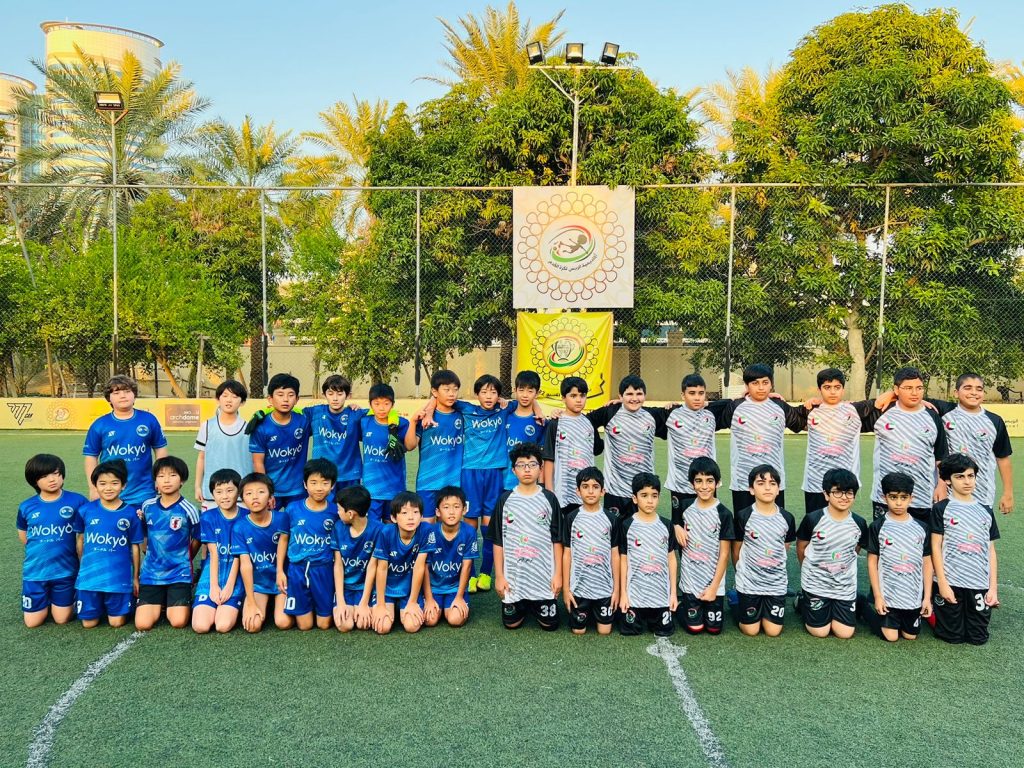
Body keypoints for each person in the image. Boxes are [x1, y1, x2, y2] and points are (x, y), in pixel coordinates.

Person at [490, 443, 563, 631]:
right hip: (515, 580)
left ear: (540, 469)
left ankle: (538, 602)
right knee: (511, 625)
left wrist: (558, 575)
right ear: (514, 470)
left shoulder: (549, 498)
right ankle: (522, 603)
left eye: (532, 464)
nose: (527, 469)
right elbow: (498, 542)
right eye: (521, 465)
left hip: (543, 578)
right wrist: (499, 576)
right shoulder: (505, 500)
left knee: (550, 626)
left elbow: (557, 540)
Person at [713, 364, 804, 513]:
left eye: (765, 383)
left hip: (773, 482)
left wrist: (818, 403)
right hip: (743, 481)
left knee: (775, 526)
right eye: (755, 383)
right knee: (744, 528)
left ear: (771, 384)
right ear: (747, 385)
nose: (761, 388)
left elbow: (802, 422)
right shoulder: (735, 406)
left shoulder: (780, 406)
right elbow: (707, 416)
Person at [930, 453, 1000, 645]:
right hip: (950, 582)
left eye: (970, 476)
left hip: (978, 583)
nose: (967, 481)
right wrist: (942, 584)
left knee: (978, 638)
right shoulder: (941, 509)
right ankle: (930, 608)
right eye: (959, 476)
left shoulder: (985, 510)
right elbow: (935, 547)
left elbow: (991, 551)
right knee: (952, 637)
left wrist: (992, 588)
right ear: (947, 480)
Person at [922, 373, 1012, 515]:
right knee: (947, 534)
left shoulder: (995, 421)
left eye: (979, 389)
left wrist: (1008, 493)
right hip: (949, 491)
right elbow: (909, 394)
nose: (974, 393)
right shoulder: (944, 410)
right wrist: (890, 394)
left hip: (982, 492)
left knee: (983, 536)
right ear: (956, 393)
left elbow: (1003, 458)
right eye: (968, 388)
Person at [795, 468, 868, 639]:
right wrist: (807, 569)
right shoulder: (813, 519)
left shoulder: (859, 523)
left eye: (849, 493)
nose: (844, 497)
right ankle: (802, 602)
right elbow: (801, 547)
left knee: (845, 633)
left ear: (854, 496)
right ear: (826, 495)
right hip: (816, 584)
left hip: (844, 586)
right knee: (820, 632)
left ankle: (849, 601)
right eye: (837, 492)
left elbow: (855, 550)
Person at [584, 375, 669, 519]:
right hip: (615, 489)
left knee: (641, 533)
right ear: (620, 396)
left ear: (645, 396)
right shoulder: (610, 412)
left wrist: (675, 405)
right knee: (615, 533)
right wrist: (598, 446)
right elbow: (585, 421)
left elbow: (682, 414)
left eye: (639, 394)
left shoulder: (652, 415)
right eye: (629, 394)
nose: (634, 398)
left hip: (643, 489)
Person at [868, 367, 947, 521]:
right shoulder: (882, 411)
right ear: (896, 389)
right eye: (908, 388)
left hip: (922, 497)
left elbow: (941, 455)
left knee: (921, 543)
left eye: (919, 388)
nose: (914, 393)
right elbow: (843, 409)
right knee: (884, 542)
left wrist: (942, 485)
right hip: (885, 497)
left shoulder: (932, 416)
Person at [72, 460, 144, 628]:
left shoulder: (131, 513)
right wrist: (83, 567)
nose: (108, 488)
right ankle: (97, 602)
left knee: (116, 623)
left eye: (114, 483)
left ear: (124, 485)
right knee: (88, 624)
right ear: (95, 485)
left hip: (119, 577)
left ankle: (113, 604)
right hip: (90, 577)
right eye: (102, 483)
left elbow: (135, 546)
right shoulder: (85, 511)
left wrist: (135, 577)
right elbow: (80, 540)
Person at [18, 454, 87, 627]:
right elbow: (24, 537)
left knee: (62, 619)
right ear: (34, 481)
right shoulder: (27, 506)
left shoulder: (77, 501)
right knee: (32, 623)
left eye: (56, 473)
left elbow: (86, 532)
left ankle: (61, 599)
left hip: (66, 572)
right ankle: (45, 599)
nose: (52, 479)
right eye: (44, 476)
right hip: (35, 572)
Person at [863, 472, 932, 642]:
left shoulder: (921, 527)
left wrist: (927, 598)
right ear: (884, 497)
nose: (899, 502)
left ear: (911, 498)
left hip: (913, 597)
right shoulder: (878, 526)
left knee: (910, 636)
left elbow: (927, 562)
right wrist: (878, 597)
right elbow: (872, 562)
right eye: (893, 497)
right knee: (891, 637)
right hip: (889, 596)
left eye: (903, 497)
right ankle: (863, 607)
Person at [135, 456, 201, 631]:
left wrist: (187, 559)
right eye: (161, 476)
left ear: (182, 480)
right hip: (151, 573)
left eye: (172, 475)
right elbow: (143, 534)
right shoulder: (147, 506)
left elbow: (198, 538)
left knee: (178, 622)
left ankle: (172, 599)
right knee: (143, 624)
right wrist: (148, 554)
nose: (166, 480)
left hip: (179, 573)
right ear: (155, 481)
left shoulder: (189, 509)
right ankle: (162, 599)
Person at [799, 368, 876, 516]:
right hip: (815, 482)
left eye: (837, 387)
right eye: (827, 387)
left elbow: (881, 402)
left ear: (843, 389)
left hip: (845, 481)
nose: (833, 392)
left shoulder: (854, 409)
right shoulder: (809, 410)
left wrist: (918, 399)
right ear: (819, 389)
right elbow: (782, 410)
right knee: (815, 523)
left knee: (840, 521)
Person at [83, 375, 168, 506]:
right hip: (111, 492)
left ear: (134, 395)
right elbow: (91, 457)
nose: (123, 396)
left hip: (144, 492)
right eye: (116, 393)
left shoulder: (148, 419)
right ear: (109, 398)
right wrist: (93, 488)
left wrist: (160, 478)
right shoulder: (100, 425)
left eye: (128, 391)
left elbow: (160, 449)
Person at [732, 464, 796, 637]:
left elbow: (784, 548)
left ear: (778, 490)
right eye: (761, 483)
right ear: (751, 490)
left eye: (772, 483)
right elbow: (736, 550)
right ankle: (734, 600)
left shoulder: (787, 518)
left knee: (773, 631)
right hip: (749, 583)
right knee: (751, 630)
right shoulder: (743, 516)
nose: (767, 487)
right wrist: (743, 573)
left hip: (775, 584)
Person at [276, 458, 339, 630]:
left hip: (324, 569)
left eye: (325, 483)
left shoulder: (335, 511)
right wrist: (280, 570)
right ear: (305, 484)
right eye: (314, 482)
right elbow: (283, 539)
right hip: (298, 569)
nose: (319, 488)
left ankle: (319, 604)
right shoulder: (292, 509)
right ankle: (306, 603)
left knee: (324, 624)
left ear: (332, 485)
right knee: (304, 626)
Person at [675, 457, 734, 636]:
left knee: (714, 629)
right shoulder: (684, 508)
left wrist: (714, 588)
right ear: (692, 484)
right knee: (695, 629)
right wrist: (676, 526)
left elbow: (724, 555)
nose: (704, 486)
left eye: (709, 481)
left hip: (713, 583)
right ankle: (679, 605)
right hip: (690, 581)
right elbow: (673, 524)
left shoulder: (724, 514)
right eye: (698, 481)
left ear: (718, 483)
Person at [665, 374, 730, 526]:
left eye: (701, 393)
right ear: (683, 395)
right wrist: (620, 403)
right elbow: (641, 409)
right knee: (681, 526)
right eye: (692, 393)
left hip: (707, 482)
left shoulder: (711, 413)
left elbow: (732, 403)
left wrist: (747, 393)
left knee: (708, 523)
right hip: (680, 483)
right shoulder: (671, 414)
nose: (697, 398)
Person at [561, 467, 619, 635]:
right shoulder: (571, 518)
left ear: (602, 491)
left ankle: (598, 610)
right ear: (578, 491)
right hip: (579, 589)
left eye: (595, 487)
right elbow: (567, 554)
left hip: (605, 589)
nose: (590, 491)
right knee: (579, 631)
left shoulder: (611, 519)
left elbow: (615, 556)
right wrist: (566, 589)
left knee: (605, 631)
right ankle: (585, 610)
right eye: (585, 486)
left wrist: (616, 590)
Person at [370, 491, 439, 634]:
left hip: (408, 589)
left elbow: (419, 567)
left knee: (412, 626)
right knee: (382, 627)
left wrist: (413, 602)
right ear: (394, 518)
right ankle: (389, 608)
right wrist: (381, 605)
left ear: (421, 516)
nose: (411, 517)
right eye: (404, 513)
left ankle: (405, 607)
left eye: (415, 512)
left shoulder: (426, 530)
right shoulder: (386, 532)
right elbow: (381, 569)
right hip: (387, 589)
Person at [618, 472, 677, 637]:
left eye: (654, 495)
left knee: (665, 631)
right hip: (634, 596)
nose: (650, 500)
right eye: (644, 495)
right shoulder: (626, 525)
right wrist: (623, 594)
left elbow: (671, 559)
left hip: (661, 596)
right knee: (630, 632)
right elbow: (623, 561)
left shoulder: (666, 525)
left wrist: (672, 594)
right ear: (635, 498)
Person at [233, 473, 290, 633]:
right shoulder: (240, 527)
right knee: (253, 626)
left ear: (270, 496)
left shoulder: (282, 518)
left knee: (283, 622)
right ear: (242, 498)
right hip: (258, 584)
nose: (255, 497)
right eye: (249, 493)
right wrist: (250, 601)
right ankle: (263, 603)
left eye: (261, 492)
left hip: (282, 580)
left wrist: (280, 572)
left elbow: (283, 544)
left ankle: (276, 604)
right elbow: (245, 565)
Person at [405, 370, 465, 524]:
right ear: (434, 391)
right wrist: (412, 422)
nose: (452, 394)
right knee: (426, 528)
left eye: (455, 389)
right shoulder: (424, 417)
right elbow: (410, 445)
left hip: (453, 484)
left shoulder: (463, 416)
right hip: (427, 482)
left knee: (449, 528)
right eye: (446, 389)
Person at [192, 468, 245, 634]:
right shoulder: (208, 517)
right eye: (219, 492)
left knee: (222, 625)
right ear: (213, 494)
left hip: (236, 575)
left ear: (239, 492)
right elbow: (213, 554)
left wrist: (229, 587)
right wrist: (213, 587)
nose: (225, 496)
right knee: (200, 626)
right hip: (213, 573)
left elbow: (239, 556)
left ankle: (236, 601)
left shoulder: (247, 517)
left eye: (230, 491)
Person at [248, 373, 310, 510]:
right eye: (280, 394)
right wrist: (266, 491)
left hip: (297, 490)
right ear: (270, 399)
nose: (285, 399)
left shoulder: (303, 421)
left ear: (297, 399)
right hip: (272, 490)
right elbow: (258, 462)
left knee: (296, 529)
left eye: (290, 394)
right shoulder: (261, 427)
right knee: (270, 528)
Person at [542, 376, 604, 509]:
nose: (578, 400)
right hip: (562, 490)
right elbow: (548, 458)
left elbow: (597, 449)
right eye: (573, 395)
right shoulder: (556, 423)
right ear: (563, 398)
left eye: (582, 395)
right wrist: (549, 488)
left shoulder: (589, 423)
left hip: (585, 490)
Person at [194, 380, 252, 510]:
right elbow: (201, 458)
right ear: (218, 399)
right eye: (225, 396)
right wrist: (198, 486)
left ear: (242, 402)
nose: (229, 400)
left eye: (234, 396)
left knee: (240, 530)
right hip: (213, 493)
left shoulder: (249, 428)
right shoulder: (207, 426)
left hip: (241, 494)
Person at [424, 486, 478, 628]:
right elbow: (424, 566)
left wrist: (459, 597)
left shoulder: (470, 532)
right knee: (430, 620)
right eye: (446, 507)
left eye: (456, 506)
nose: (452, 512)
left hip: (454, 589)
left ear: (464, 509)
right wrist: (429, 598)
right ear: (437, 512)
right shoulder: (430, 532)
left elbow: (467, 566)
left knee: (455, 620)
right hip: (433, 588)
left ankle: (451, 605)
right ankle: (436, 604)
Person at [331, 485, 382, 632]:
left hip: (365, 589)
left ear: (351, 513)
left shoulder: (378, 529)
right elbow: (338, 566)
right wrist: (340, 602)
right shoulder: (338, 527)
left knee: (363, 625)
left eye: (340, 509)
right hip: (345, 588)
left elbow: (373, 566)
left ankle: (360, 604)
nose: (338, 512)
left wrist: (364, 603)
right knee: (345, 626)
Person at [359, 383, 410, 522]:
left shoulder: (402, 423)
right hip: (371, 490)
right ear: (370, 404)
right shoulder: (364, 422)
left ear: (393, 404)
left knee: (391, 526)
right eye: (377, 403)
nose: (382, 408)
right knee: (372, 527)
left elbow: (410, 445)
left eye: (386, 403)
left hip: (394, 488)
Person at [304, 374, 365, 491]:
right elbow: (291, 412)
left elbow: (378, 413)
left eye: (340, 394)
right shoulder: (314, 413)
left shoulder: (356, 414)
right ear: (324, 395)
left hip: (350, 475)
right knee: (325, 508)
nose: (335, 398)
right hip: (322, 475)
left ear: (348, 395)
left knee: (350, 508)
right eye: (330, 394)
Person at [502, 370, 546, 492]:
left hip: (527, 484)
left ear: (537, 393)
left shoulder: (540, 422)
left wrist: (541, 484)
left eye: (530, 391)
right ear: (515, 390)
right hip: (502, 481)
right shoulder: (505, 415)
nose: (525, 395)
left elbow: (542, 455)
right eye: (521, 390)